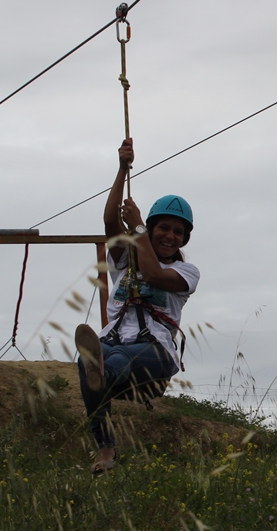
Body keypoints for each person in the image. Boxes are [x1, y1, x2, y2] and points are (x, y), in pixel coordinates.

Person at [75, 138, 200, 475]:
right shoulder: (124, 260)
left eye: (178, 232)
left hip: (154, 351)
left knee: (113, 363)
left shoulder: (186, 272)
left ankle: (103, 375)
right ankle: (105, 447)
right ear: (153, 229)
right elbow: (109, 222)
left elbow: (153, 274)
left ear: (184, 239)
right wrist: (121, 169)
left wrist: (140, 226)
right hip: (114, 340)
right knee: (95, 359)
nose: (169, 236)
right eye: (164, 228)